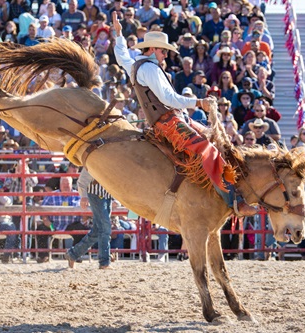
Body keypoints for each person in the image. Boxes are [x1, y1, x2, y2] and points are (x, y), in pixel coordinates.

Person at [112, 12, 256, 216]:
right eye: (163, 51)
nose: (165, 55)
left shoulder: (137, 66)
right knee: (208, 149)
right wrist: (198, 102)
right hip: (168, 122)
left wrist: (119, 35)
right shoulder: (151, 69)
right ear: (152, 49)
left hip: (169, 119)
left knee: (211, 141)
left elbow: (122, 57)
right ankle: (233, 201)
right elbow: (169, 99)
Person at [65, 169, 114, 269]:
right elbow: (82, 180)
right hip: (97, 194)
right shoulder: (96, 159)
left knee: (97, 231)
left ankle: (73, 254)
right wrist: (83, 196)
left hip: (105, 195)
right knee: (105, 228)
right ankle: (104, 261)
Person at [36, 176, 80, 263]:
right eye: (64, 184)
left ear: (72, 185)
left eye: (68, 184)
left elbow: (84, 212)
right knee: (41, 229)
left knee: (82, 229)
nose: (66, 186)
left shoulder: (78, 195)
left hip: (71, 225)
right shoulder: (52, 195)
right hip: (53, 225)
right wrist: (49, 224)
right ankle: (43, 256)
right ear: (60, 185)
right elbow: (43, 212)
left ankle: (75, 255)